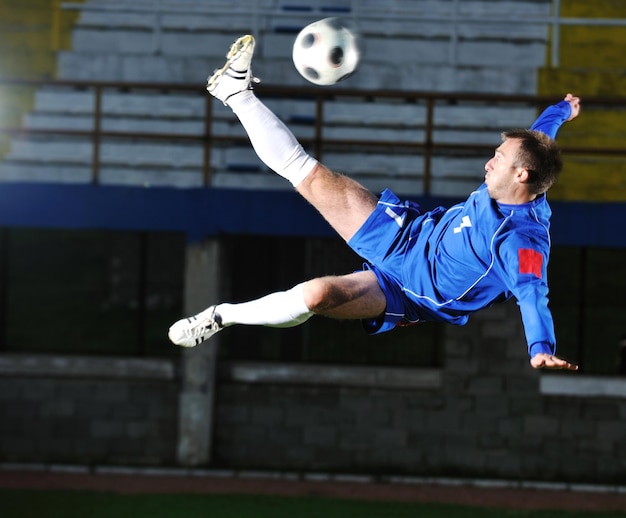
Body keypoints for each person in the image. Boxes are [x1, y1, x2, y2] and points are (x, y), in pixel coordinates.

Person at [168, 35, 581, 371]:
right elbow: (539, 136)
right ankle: (235, 93)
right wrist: (561, 109)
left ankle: (221, 316)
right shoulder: (520, 171)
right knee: (308, 175)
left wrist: (540, 347)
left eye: (499, 159)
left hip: (408, 293)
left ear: (521, 176)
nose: (489, 162)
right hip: (406, 236)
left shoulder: (523, 241)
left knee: (317, 296)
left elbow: (533, 292)